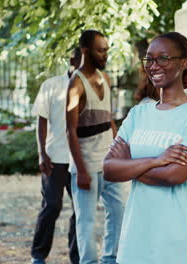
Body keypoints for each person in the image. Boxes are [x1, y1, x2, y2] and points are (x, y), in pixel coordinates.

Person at [103, 32, 187, 264]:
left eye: (163, 58)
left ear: (184, 62)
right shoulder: (138, 114)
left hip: (182, 236)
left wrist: (130, 166)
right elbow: (109, 170)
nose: (154, 66)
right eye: (149, 60)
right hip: (138, 232)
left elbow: (175, 175)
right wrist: (157, 160)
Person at [66, 30, 127, 264]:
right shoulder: (76, 84)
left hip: (109, 161)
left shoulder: (106, 79)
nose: (105, 54)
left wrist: (118, 152)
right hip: (87, 164)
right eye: (101, 50)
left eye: (107, 49)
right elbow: (70, 130)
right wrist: (80, 170)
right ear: (85, 51)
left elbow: (109, 119)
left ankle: (110, 259)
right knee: (86, 220)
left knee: (119, 210)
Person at [30, 48, 82, 264]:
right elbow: (41, 121)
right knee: (52, 206)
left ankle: (77, 257)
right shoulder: (51, 85)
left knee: (81, 210)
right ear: (72, 60)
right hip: (55, 157)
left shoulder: (93, 85)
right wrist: (42, 153)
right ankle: (38, 255)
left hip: (80, 159)